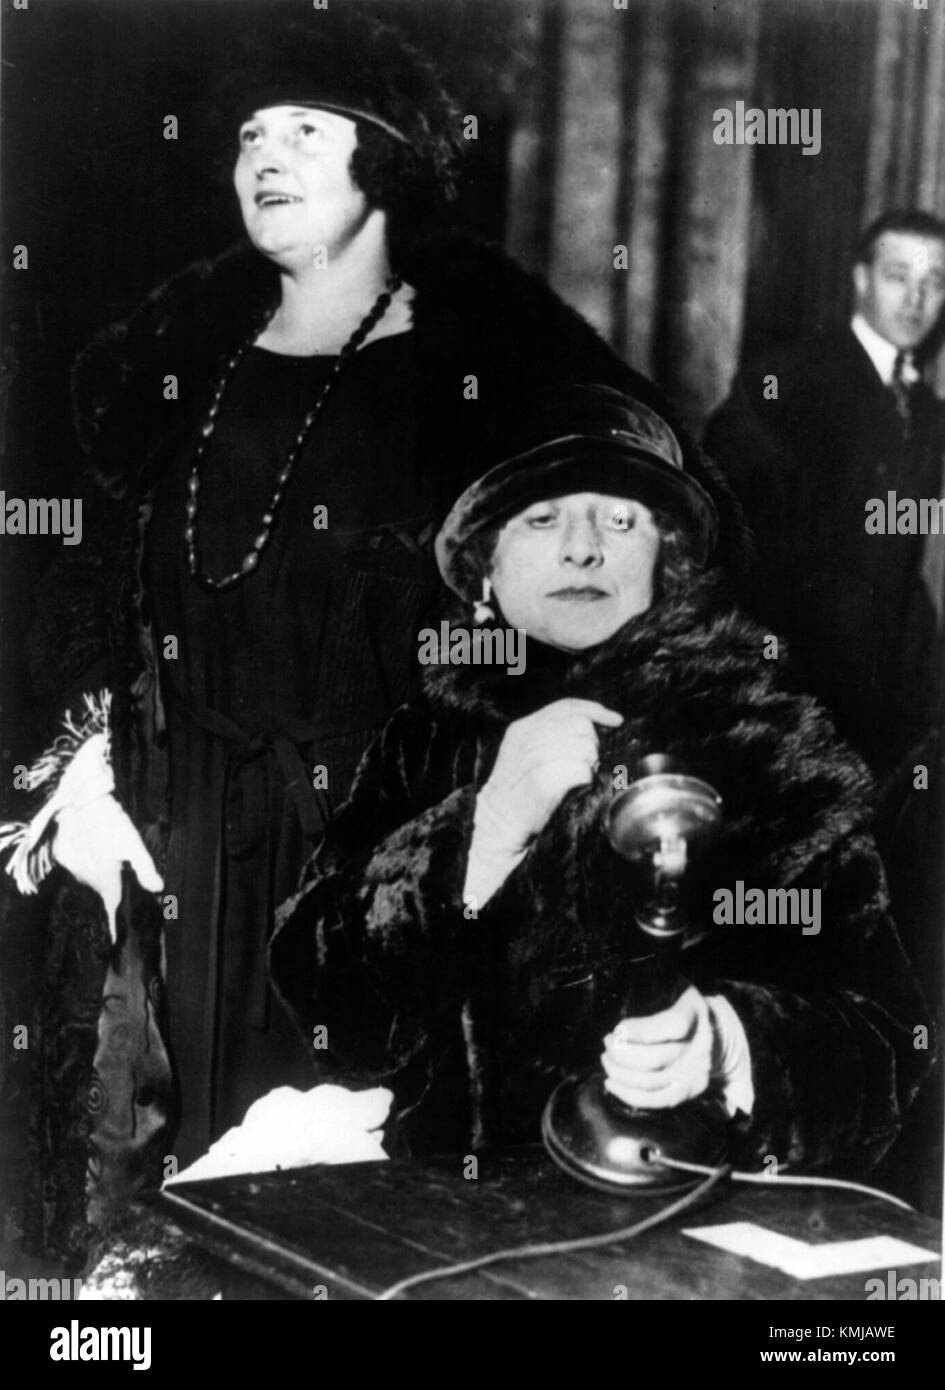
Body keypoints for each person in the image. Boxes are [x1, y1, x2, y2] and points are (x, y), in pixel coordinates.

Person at [9, 11, 733, 1267]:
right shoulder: (190, 364)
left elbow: (609, 608)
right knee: (147, 1235)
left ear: (385, 158)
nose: (265, 156)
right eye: (249, 134)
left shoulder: (488, 379)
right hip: (183, 865)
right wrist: (82, 766)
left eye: (307, 129)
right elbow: (94, 600)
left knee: (336, 1234)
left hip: (366, 873)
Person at [270, 385, 930, 1179]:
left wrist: (730, 1044)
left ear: (668, 558)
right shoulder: (428, 735)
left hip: (669, 1233)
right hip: (431, 1223)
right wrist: (481, 834)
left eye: (618, 520)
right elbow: (327, 1009)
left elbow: (886, 1042)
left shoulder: (755, 736)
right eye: (542, 519)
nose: (581, 548)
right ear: (483, 566)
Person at [704, 210, 945, 794]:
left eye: (934, 282)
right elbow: (720, 539)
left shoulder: (927, 411)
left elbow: (894, 566)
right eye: (897, 276)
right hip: (790, 702)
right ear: (860, 279)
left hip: (880, 709)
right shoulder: (787, 384)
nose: (916, 298)